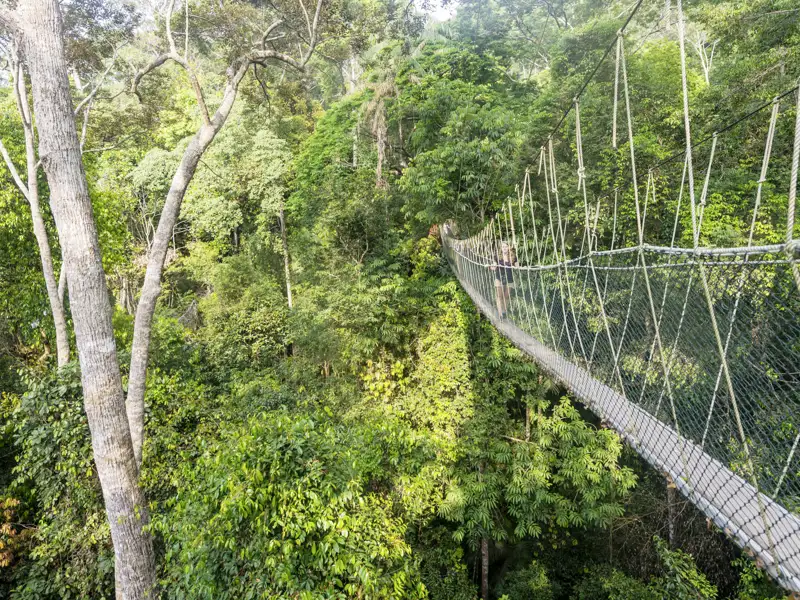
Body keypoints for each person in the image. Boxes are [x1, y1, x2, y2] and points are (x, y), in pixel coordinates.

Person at [491, 242, 516, 319]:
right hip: (499, 277)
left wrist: (520, 267)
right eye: (503, 247)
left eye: (506, 246)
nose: (504, 248)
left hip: (509, 278)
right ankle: (500, 314)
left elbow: (517, 265)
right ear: (501, 248)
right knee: (499, 296)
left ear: (508, 247)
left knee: (506, 296)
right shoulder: (497, 256)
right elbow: (494, 264)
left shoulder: (513, 257)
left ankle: (504, 310)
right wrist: (493, 267)